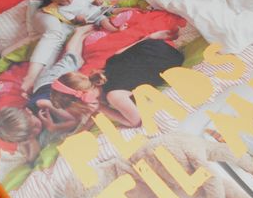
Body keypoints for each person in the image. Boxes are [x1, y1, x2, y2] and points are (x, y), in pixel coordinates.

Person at [50, 35, 184, 129]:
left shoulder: (114, 96)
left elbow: (135, 122)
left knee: (119, 60)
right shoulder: (101, 76)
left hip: (170, 59)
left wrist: (101, 108)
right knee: (116, 57)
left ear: (83, 99)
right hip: (152, 46)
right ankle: (148, 39)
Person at [21, 0, 100, 93]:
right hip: (49, 13)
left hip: (66, 18)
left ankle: (41, 79)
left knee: (60, 41)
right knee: (54, 34)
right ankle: (30, 77)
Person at [0, 107, 43, 182]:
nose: (36, 130)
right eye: (30, 135)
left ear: (28, 111)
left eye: (34, 125)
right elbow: (32, 159)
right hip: (9, 179)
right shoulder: (21, 143)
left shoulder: (23, 118)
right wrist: (32, 140)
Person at [44, 0, 127, 32]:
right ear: (57, 1)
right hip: (92, 17)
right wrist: (79, 19)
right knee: (103, 20)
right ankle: (116, 30)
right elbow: (73, 21)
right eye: (65, 1)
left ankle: (131, 10)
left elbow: (93, 1)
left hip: (100, 9)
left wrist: (98, 1)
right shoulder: (62, 9)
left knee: (113, 10)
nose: (70, 1)